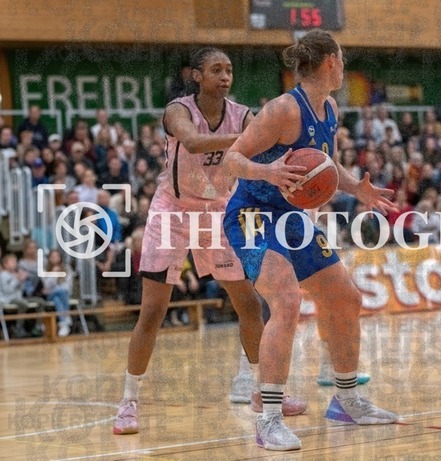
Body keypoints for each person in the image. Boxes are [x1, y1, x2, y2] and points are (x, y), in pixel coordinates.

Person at [112, 47, 306, 436]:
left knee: (249, 305)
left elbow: (269, 144)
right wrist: (250, 138)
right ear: (197, 76)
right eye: (216, 69)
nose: (225, 76)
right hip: (172, 212)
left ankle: (263, 391)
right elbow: (194, 142)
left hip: (219, 211)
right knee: (153, 311)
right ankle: (128, 402)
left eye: (229, 70)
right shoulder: (178, 111)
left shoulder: (243, 113)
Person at [221, 29, 398, 452]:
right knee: (285, 301)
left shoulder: (329, 108)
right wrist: (268, 172)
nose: (343, 66)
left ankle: (346, 400)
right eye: (342, 59)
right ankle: (268, 419)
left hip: (292, 218)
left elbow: (324, 164)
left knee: (346, 298)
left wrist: (356, 188)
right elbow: (232, 159)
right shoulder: (283, 109)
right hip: (252, 214)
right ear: (331, 61)